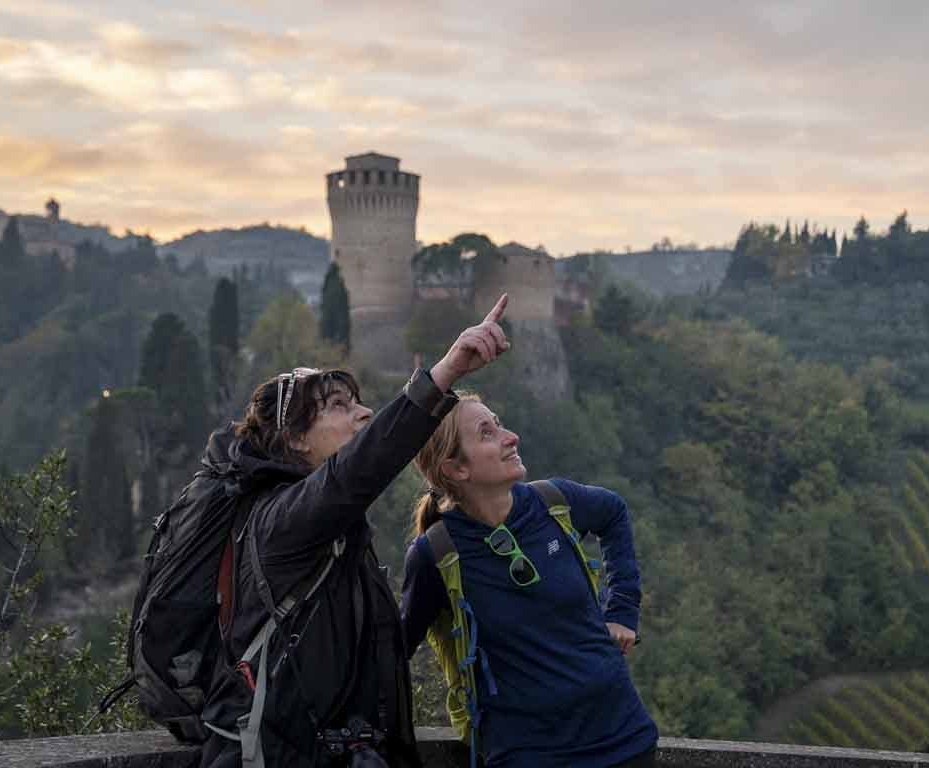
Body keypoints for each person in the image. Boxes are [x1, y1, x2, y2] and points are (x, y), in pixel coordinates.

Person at [200, 295, 511, 768]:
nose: (363, 414)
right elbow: (358, 470)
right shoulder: (281, 521)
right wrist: (443, 374)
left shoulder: (336, 528)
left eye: (360, 403)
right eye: (340, 407)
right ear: (296, 439)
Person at [400, 393, 659, 768]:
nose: (511, 437)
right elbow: (394, 650)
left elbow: (614, 512)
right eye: (487, 433)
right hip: (528, 754)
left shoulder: (553, 502)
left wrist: (621, 610)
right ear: (456, 468)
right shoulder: (436, 555)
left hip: (623, 737)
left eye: (499, 423)